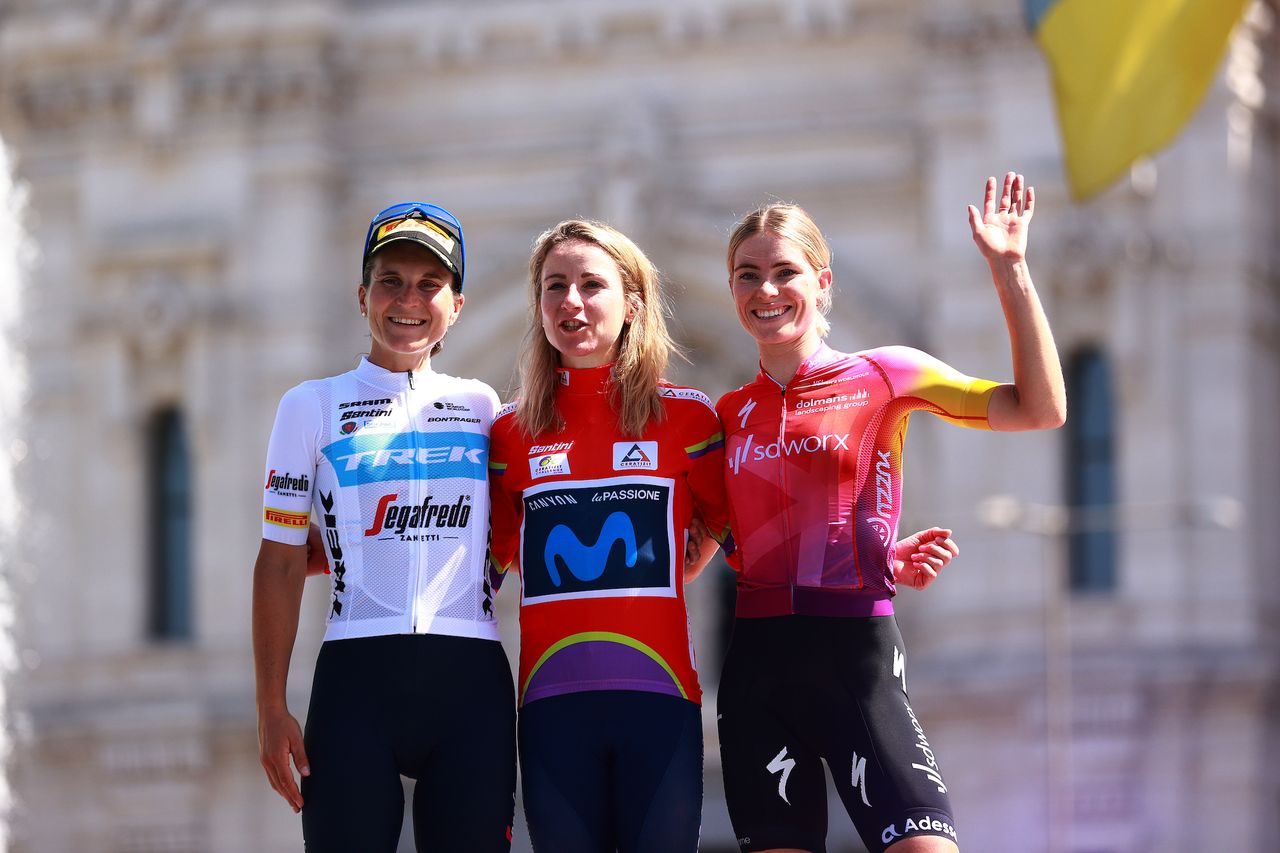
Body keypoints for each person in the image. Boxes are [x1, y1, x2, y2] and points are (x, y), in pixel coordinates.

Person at [486, 219, 962, 853]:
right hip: (549, 705)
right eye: (554, 286)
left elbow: (742, 530)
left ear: (632, 304)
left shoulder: (688, 417)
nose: (571, 300)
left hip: (662, 702)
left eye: (590, 284)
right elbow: (486, 554)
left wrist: (866, 553)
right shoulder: (507, 435)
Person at [714, 172, 1067, 853]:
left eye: (784, 272)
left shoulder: (885, 374)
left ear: (822, 282)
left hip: (858, 662)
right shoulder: (728, 414)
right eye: (747, 275)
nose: (765, 291)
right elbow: (732, 541)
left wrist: (1011, 270)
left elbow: (1039, 407)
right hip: (758, 673)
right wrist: (874, 548)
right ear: (731, 289)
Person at [252, 202, 516, 852]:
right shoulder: (310, 405)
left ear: (457, 304)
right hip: (355, 683)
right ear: (362, 294)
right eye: (391, 280)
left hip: (471, 682)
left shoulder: (484, 406)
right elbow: (281, 559)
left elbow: (515, 526)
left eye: (430, 284)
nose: (408, 299)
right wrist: (270, 706)